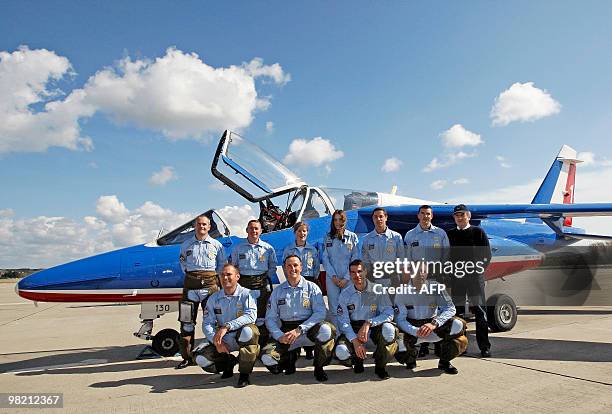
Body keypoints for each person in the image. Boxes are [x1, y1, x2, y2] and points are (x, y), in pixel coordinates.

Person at [262, 255, 336, 382]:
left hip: (308, 329)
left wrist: (300, 329)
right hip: (286, 332)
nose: (293, 269)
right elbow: (270, 318)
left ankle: (319, 367)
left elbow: (320, 313)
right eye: (289, 266)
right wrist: (279, 336)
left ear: (301, 267)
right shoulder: (277, 292)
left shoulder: (312, 287)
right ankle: (289, 358)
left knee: (326, 330)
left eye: (295, 265)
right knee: (266, 357)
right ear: (284, 269)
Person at [394, 263, 468, 374]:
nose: (420, 275)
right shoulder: (402, 292)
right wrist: (416, 331)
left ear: (427, 272)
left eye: (423, 271)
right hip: (413, 330)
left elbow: (450, 308)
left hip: (433, 328)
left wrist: (435, 323)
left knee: (458, 324)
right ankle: (410, 358)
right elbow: (400, 320)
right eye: (417, 271)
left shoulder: (436, 287)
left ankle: (444, 361)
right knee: (395, 337)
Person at [195, 264, 259, 388]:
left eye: (229, 274)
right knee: (201, 359)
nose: (225, 278)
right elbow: (207, 323)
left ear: (237, 276)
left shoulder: (247, 294)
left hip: (240, 336)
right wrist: (216, 340)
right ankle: (227, 364)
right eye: (222, 275)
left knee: (249, 332)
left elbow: (251, 316)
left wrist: (227, 326)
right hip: (223, 339)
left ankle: (244, 374)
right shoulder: (214, 298)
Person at [176, 214, 226, 369]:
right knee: (186, 323)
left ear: (209, 227)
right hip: (190, 287)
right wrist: (194, 276)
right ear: (195, 226)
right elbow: (183, 263)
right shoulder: (186, 245)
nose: (202, 227)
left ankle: (216, 355)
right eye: (199, 224)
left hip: (210, 287)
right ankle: (186, 357)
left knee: (213, 322)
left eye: (205, 224)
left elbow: (221, 265)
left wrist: (208, 277)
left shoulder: (216, 245)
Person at [335, 260, 398, 379]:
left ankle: (380, 366)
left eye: (359, 271)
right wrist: (355, 341)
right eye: (353, 272)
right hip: (354, 330)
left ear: (365, 271)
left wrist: (369, 322)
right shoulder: (345, 294)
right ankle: (356, 360)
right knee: (341, 351)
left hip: (373, 328)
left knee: (389, 330)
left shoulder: (378, 289)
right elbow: (343, 321)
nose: (357, 275)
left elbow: (389, 313)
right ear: (349, 274)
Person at [403, 204, 450, 357]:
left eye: (428, 214)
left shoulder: (440, 233)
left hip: (436, 277)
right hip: (418, 278)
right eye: (422, 213)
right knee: (421, 309)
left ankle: (438, 344)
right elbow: (407, 258)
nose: (425, 216)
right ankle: (422, 345)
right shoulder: (410, 235)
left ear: (432, 216)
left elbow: (446, 255)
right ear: (418, 216)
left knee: (436, 309)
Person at [446, 204, 493, 357]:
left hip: (474, 279)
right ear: (454, 218)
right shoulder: (450, 234)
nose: (460, 217)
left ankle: (484, 347)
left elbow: (487, 255)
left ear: (469, 216)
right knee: (458, 314)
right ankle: (461, 346)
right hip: (457, 279)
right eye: (457, 215)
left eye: (462, 215)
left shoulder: (478, 232)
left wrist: (478, 271)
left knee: (480, 312)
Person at [231, 219, 277, 346]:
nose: (254, 231)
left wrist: (262, 278)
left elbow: (272, 267)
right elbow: (234, 267)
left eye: (256, 228)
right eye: (251, 228)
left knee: (262, 316)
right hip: (243, 285)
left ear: (261, 231)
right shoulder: (238, 248)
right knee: (243, 315)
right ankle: (247, 344)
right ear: (247, 230)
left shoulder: (268, 249)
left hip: (261, 284)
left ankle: (261, 345)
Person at [282, 221, 320, 359]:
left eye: (304, 231)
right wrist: (290, 280)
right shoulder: (289, 250)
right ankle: (295, 346)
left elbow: (316, 267)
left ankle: (310, 348)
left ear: (307, 233)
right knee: (296, 311)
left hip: (309, 282)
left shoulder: (313, 250)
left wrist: (313, 281)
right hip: (293, 283)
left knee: (309, 313)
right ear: (295, 233)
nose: (302, 233)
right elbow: (284, 266)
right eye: (299, 231)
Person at [322, 210, 359, 327]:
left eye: (340, 219)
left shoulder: (352, 237)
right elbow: (325, 258)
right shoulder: (328, 237)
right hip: (332, 278)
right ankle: (336, 335)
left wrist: (347, 278)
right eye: (335, 220)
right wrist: (333, 276)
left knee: (348, 306)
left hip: (348, 278)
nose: (338, 222)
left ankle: (348, 334)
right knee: (333, 308)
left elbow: (355, 259)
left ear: (344, 220)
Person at [360, 207, 404, 287]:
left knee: (393, 299)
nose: (378, 219)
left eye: (381, 216)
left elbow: (401, 258)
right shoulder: (367, 239)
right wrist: (369, 276)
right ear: (372, 219)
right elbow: (365, 260)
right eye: (375, 217)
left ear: (386, 217)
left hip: (392, 277)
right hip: (374, 278)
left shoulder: (396, 237)